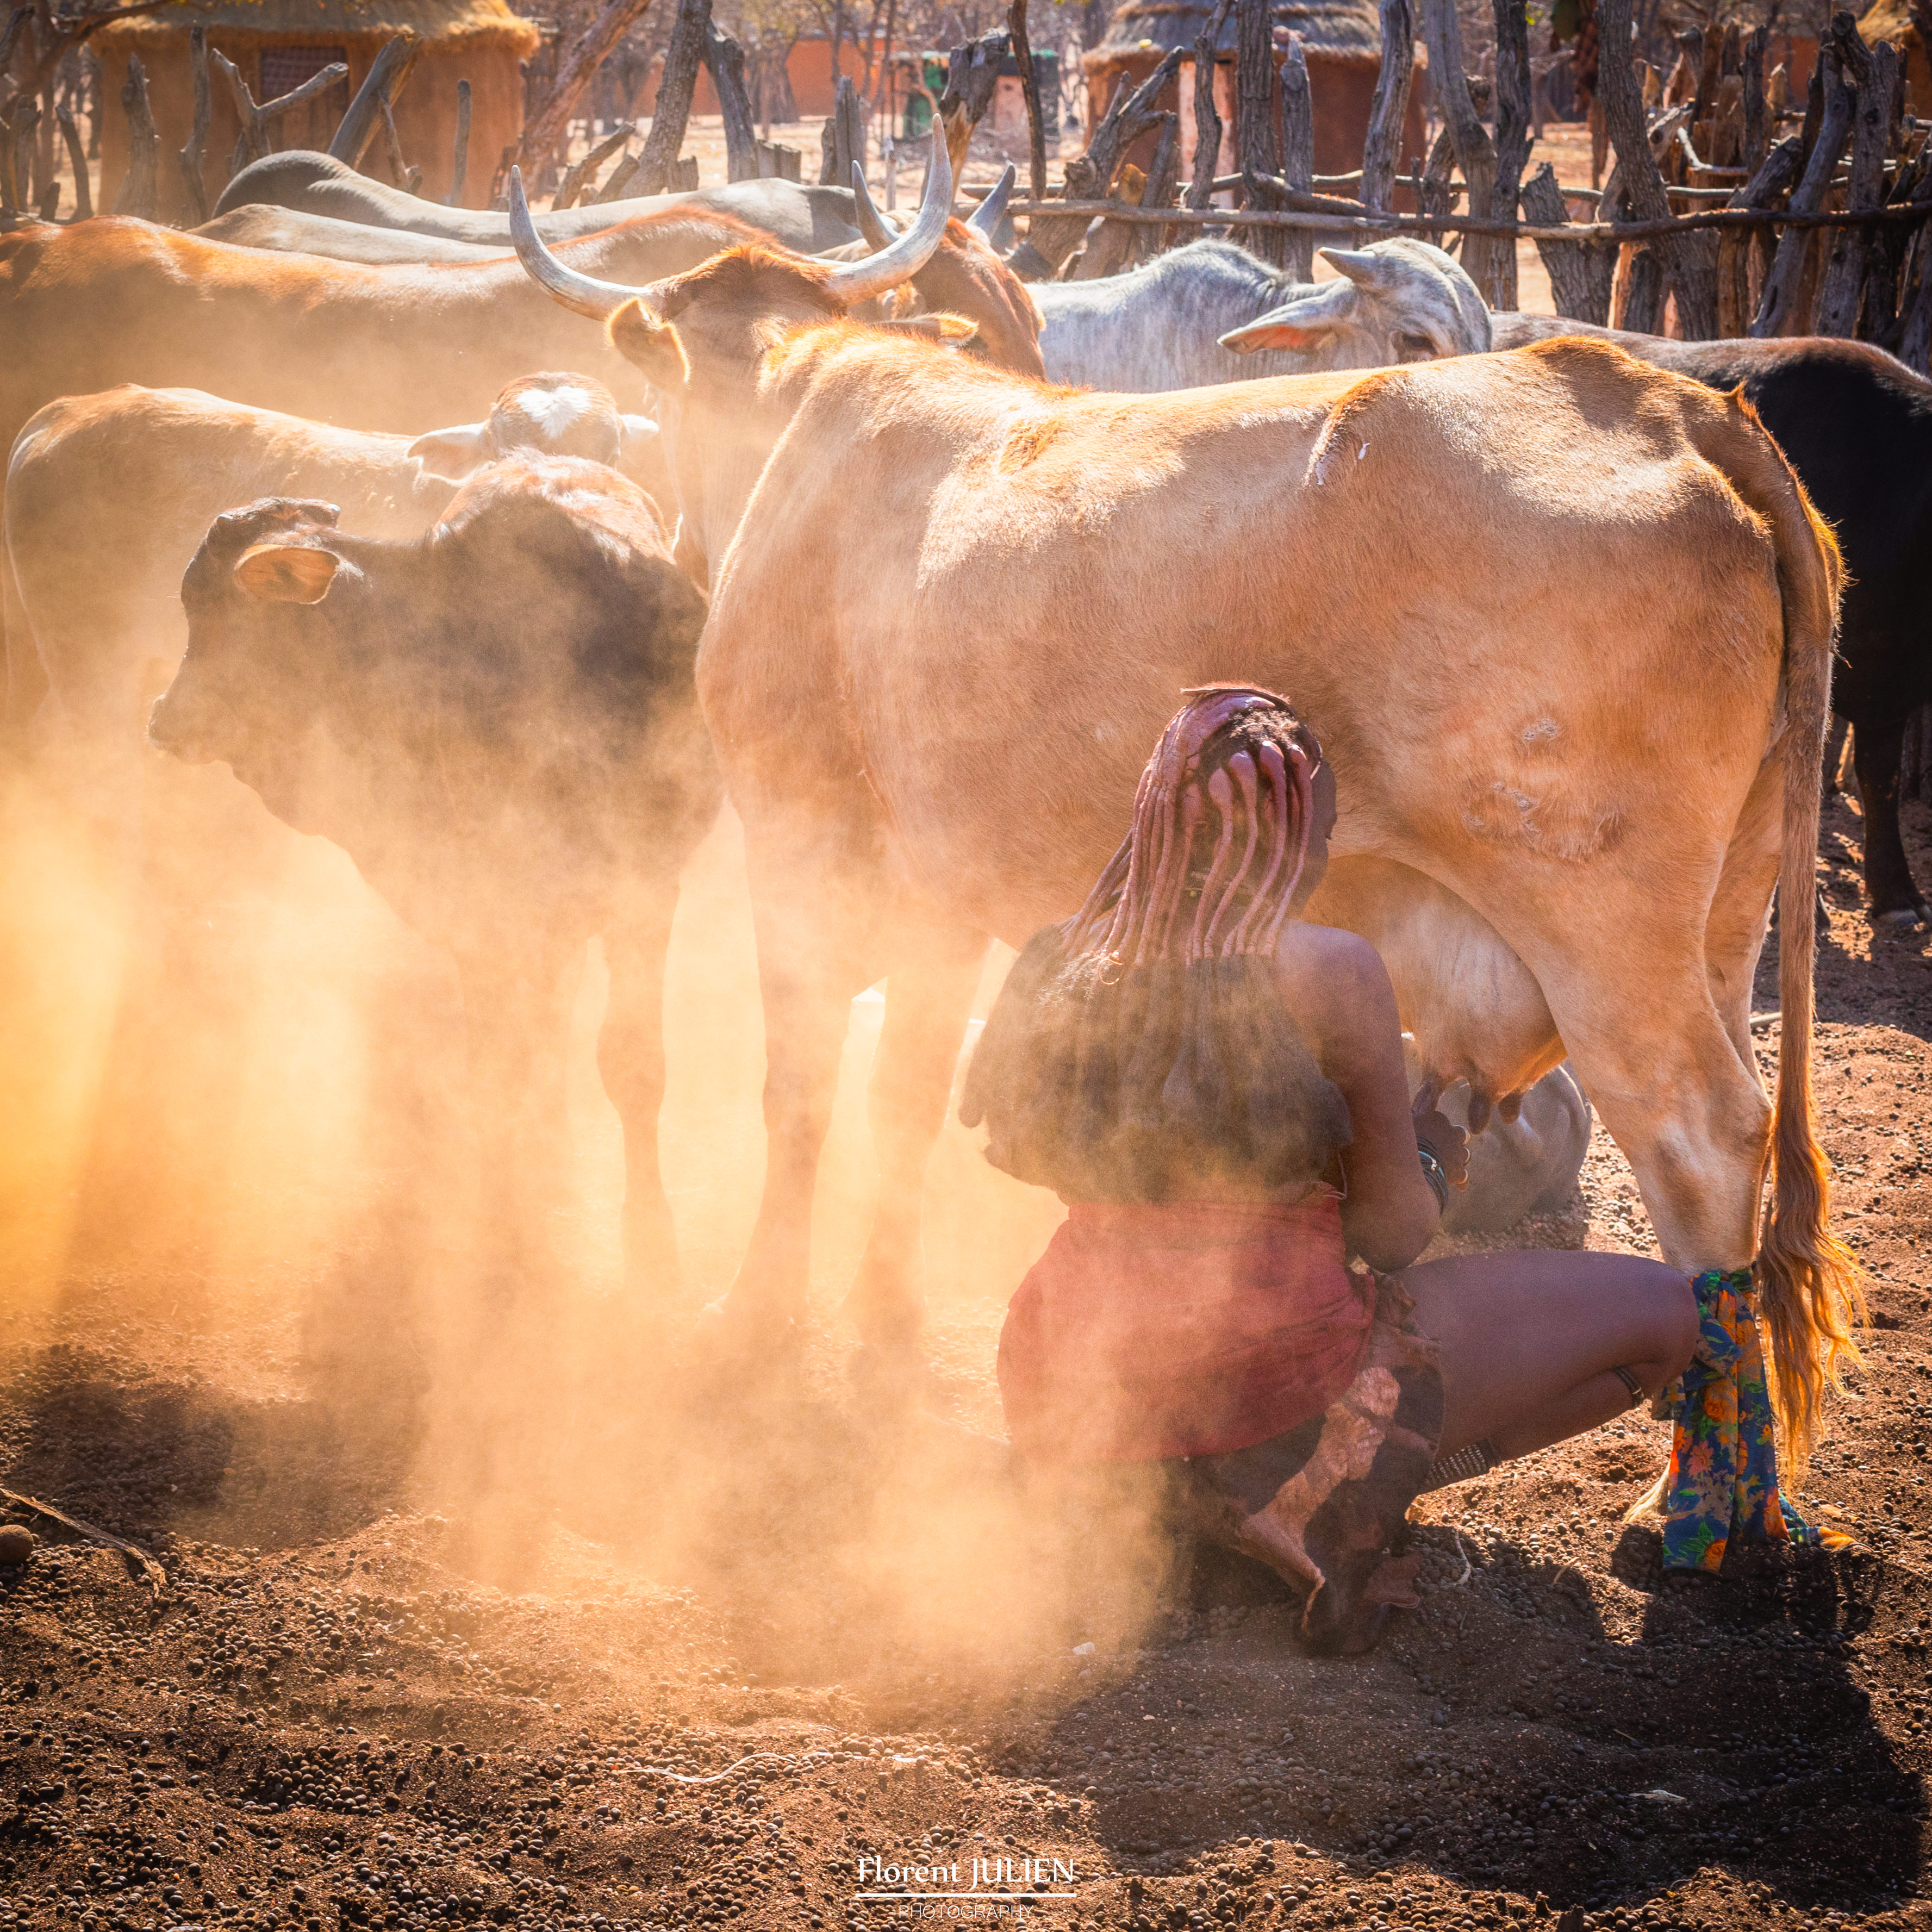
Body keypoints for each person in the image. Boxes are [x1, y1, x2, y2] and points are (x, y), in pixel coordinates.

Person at [960, 686, 1698, 1654]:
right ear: (1292, 835)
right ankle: (1316, 1498)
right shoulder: (1327, 969)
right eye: (1323, 831)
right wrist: (1427, 1148)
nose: (1321, 859)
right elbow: (1392, 1235)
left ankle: (1169, 1511)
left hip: (1066, 1392)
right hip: (1268, 1392)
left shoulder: (1063, 953)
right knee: (1667, 1318)